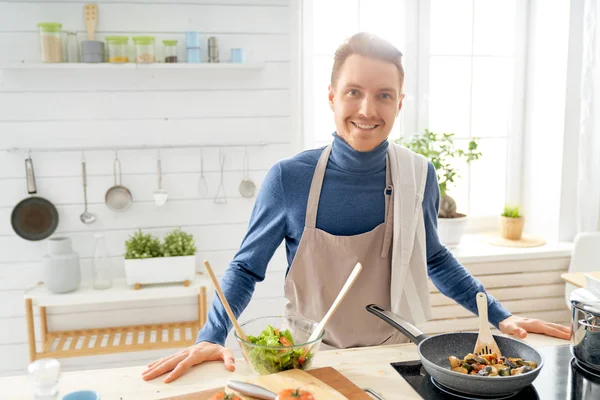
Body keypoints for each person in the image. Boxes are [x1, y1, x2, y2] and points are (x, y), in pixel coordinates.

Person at [142, 32, 570, 384]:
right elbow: (246, 269)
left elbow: (434, 256)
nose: (368, 109)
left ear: (399, 103)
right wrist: (209, 335)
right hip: (310, 363)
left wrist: (502, 315)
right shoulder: (289, 179)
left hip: (401, 359)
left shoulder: (418, 174)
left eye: (384, 95)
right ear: (331, 97)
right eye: (353, 92)